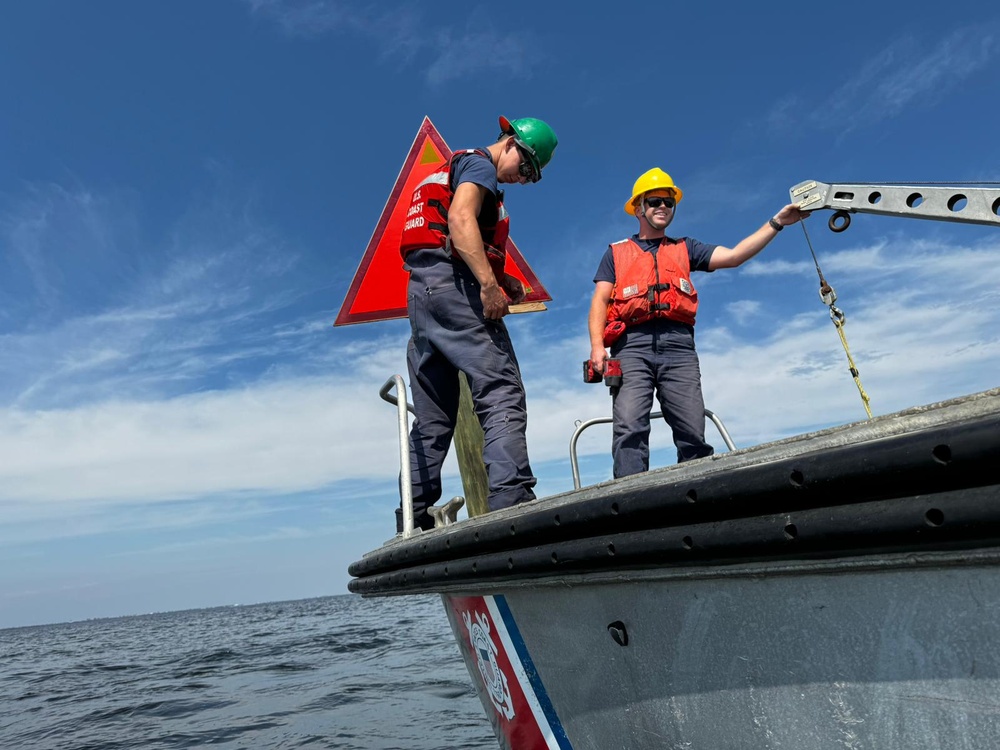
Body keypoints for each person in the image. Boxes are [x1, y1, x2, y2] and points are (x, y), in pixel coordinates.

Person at [588, 167, 807, 477]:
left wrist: (777, 223)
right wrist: (597, 346)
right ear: (638, 208)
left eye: (668, 202)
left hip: (679, 346)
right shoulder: (616, 253)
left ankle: (697, 496)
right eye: (654, 202)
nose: (663, 207)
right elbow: (599, 300)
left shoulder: (686, 248)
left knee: (692, 429)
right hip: (631, 346)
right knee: (629, 428)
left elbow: (734, 256)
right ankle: (629, 501)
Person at [395, 115, 558, 532]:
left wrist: (504, 280)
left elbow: (448, 239)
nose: (522, 179)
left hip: (423, 297)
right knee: (501, 390)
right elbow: (460, 221)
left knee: (432, 418)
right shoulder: (478, 165)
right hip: (457, 289)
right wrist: (488, 286)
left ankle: (412, 518)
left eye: (532, 177)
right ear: (510, 143)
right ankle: (511, 501)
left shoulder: (448, 171)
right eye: (525, 168)